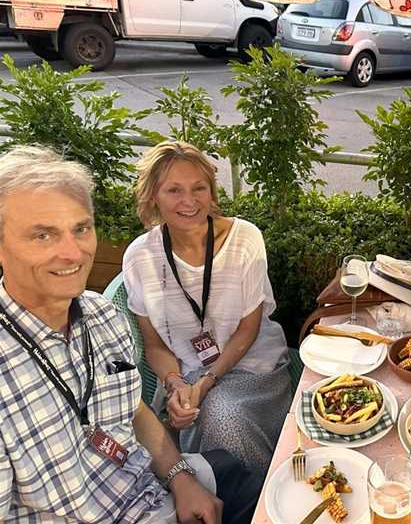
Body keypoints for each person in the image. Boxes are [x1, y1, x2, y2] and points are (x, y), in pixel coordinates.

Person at [0, 144, 263, 523]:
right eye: (43, 235)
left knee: (267, 489)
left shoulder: (101, 314)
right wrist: (177, 383)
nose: (73, 253)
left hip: (152, 489)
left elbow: (133, 409)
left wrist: (180, 477)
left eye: (81, 229)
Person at [123, 141, 298, 475]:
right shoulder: (140, 257)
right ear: (153, 196)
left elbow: (249, 329)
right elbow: (155, 345)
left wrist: (205, 383)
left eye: (198, 188)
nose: (189, 201)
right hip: (185, 377)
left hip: (252, 366)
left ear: (211, 191)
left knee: (222, 415)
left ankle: (259, 495)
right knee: (206, 413)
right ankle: (233, 497)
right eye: (174, 190)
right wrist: (175, 385)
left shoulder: (244, 239)